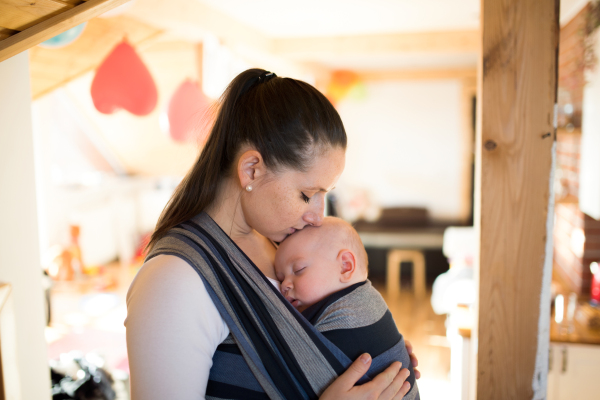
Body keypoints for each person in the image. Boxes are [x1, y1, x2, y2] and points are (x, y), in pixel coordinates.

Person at [125, 68, 420, 400]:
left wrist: (367, 350)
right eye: (307, 194)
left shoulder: (280, 244)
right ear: (252, 169)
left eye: (326, 194)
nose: (318, 215)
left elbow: (302, 342)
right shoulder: (175, 281)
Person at [275, 217, 419, 400]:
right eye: (280, 279)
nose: (284, 285)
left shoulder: (346, 311)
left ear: (345, 266)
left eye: (298, 270)